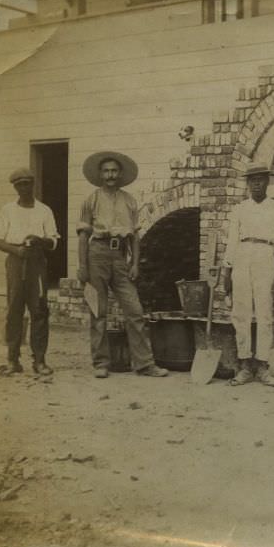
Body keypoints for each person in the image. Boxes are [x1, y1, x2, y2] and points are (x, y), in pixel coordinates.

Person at [76, 151, 169, 378]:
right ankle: (101, 363)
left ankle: (144, 364)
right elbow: (82, 235)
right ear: (100, 174)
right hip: (96, 254)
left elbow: (134, 237)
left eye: (114, 171)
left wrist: (135, 263)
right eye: (106, 171)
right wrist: (82, 266)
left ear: (120, 174)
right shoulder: (91, 200)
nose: (110, 175)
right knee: (99, 311)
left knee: (135, 310)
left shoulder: (129, 200)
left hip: (120, 257)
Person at [223, 163, 274, 387]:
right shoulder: (240, 209)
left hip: (265, 255)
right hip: (242, 255)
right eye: (252, 180)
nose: (257, 183)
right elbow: (232, 242)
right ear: (248, 183)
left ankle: (262, 365)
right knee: (240, 312)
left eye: (261, 179)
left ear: (267, 181)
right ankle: (244, 365)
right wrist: (227, 271)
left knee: (264, 313)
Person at [0, 169, 59, 376]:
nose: (24, 188)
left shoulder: (44, 210)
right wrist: (17, 250)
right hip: (15, 260)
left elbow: (54, 241)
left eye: (28, 183)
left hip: (36, 262)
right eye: (20, 184)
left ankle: (39, 360)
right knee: (14, 310)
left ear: (33, 185)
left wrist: (40, 241)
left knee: (39, 309)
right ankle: (13, 360)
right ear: (15, 187)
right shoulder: (8, 210)